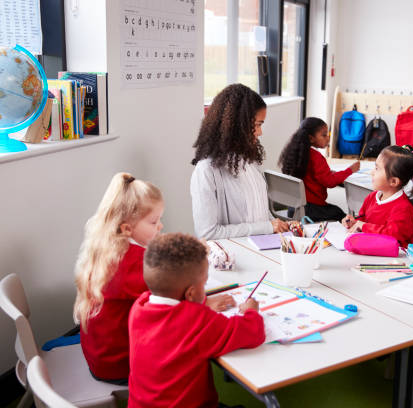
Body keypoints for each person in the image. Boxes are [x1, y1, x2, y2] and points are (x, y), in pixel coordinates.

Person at [128, 233, 265, 408]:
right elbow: (253, 331)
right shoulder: (196, 320)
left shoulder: (139, 307)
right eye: (204, 283)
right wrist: (251, 311)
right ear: (190, 293)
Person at [73, 172, 164, 383]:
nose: (159, 226)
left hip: (99, 355)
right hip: (119, 364)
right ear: (127, 228)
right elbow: (169, 300)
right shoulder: (133, 262)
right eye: (153, 222)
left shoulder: (106, 248)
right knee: (187, 345)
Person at [191, 83, 289, 239]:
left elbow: (261, 214)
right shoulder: (206, 171)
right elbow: (207, 233)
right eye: (257, 125)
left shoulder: (250, 161)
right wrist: (266, 227)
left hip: (262, 249)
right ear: (236, 126)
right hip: (235, 257)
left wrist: (278, 225)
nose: (260, 132)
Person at [341, 145, 413, 247]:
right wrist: (354, 222)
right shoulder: (372, 197)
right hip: (372, 248)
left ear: (393, 181)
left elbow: (393, 235)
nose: (372, 173)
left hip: (395, 258)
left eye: (377, 169)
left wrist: (363, 226)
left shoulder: (403, 208)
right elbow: (364, 220)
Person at [278, 117, 360, 222]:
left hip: (294, 208)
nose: (328, 138)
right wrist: (350, 170)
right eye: (324, 135)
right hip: (311, 210)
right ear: (311, 138)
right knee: (342, 215)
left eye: (328, 134)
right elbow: (329, 182)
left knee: (336, 211)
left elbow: (312, 175)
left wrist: (329, 173)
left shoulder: (295, 153)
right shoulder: (316, 157)